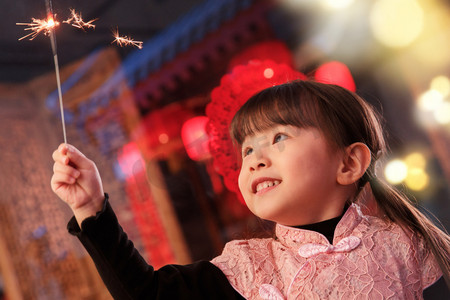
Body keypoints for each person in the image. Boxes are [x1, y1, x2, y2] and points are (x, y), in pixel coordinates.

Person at [51, 80, 449, 299]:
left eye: (278, 137)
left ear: (348, 163)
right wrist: (91, 206)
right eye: (247, 150)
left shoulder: (405, 246)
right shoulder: (246, 270)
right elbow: (147, 295)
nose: (255, 160)